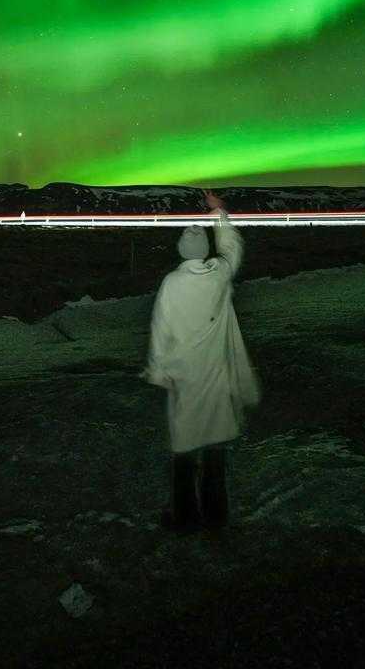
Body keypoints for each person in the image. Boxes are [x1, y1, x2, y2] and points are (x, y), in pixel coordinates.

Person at [139, 188, 262, 534]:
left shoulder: (171, 284)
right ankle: (215, 517)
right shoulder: (219, 274)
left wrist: (159, 371)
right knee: (214, 454)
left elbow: (161, 331)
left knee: (184, 454)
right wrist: (219, 213)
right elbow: (232, 249)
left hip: (185, 378)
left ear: (181, 251)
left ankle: (185, 517)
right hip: (215, 375)